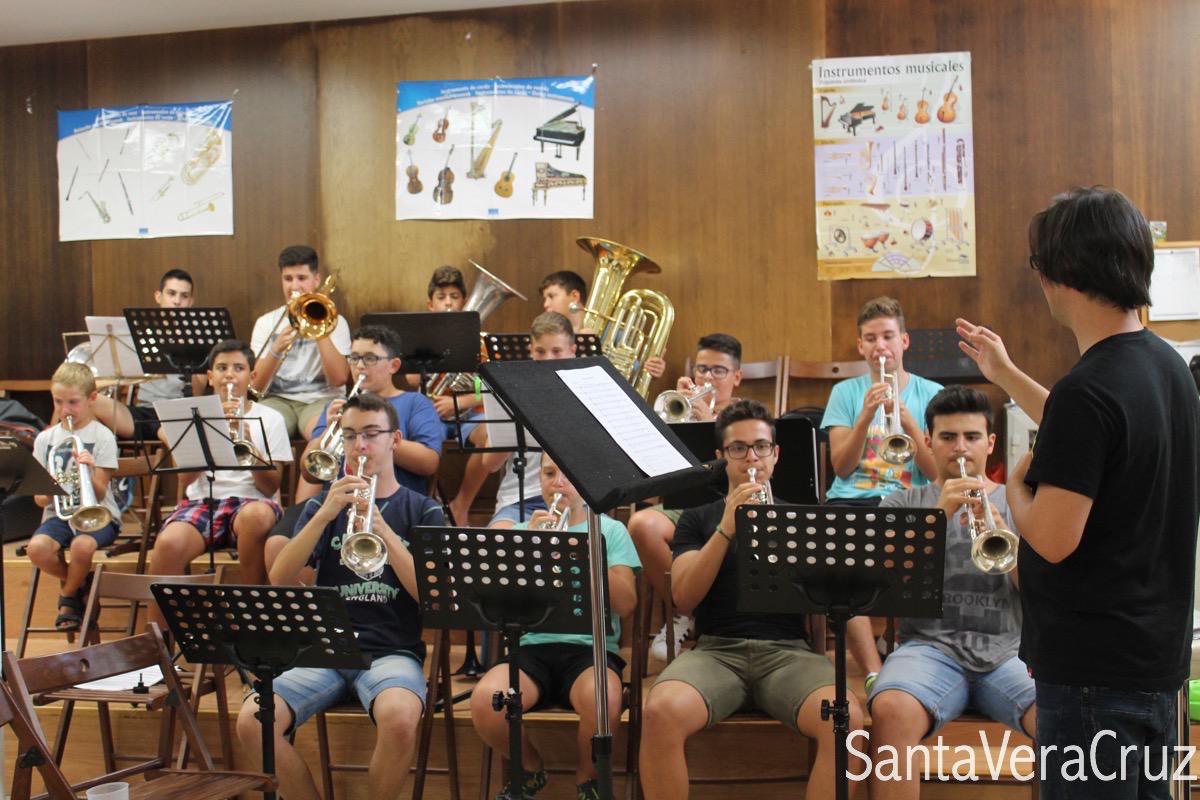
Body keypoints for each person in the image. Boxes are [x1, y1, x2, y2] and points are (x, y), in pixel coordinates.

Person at [957, 186, 1200, 797]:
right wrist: (1008, 375)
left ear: (1062, 273)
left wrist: (1012, 487)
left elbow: (1055, 539)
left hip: (1094, 670)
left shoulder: (1089, 390)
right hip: (1152, 657)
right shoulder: (1164, 366)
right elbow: (1098, 437)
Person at [639, 399, 863, 799]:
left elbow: (837, 600)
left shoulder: (802, 517)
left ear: (775, 455)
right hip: (716, 652)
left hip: (788, 653)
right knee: (659, 711)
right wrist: (727, 527)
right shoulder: (698, 518)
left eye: (760, 447)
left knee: (847, 721)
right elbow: (685, 597)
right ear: (721, 458)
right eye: (738, 449)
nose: (751, 458)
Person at [236, 391, 443, 800]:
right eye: (349, 436)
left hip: (391, 651)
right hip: (323, 652)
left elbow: (430, 597)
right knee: (251, 721)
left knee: (400, 717)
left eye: (370, 435)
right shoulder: (322, 506)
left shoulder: (423, 509)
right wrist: (324, 514)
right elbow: (279, 578)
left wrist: (383, 531)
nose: (359, 447)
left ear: (394, 439)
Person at [851, 386, 1034, 799]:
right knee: (890, 708)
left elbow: (1043, 595)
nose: (960, 448)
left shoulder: (1018, 502)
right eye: (948, 437)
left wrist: (1004, 533)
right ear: (928, 442)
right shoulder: (901, 503)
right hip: (929, 650)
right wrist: (937, 518)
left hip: (1012, 652)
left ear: (991, 443)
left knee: (1063, 714)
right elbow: (881, 590)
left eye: (971, 437)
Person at [469, 452, 639, 800]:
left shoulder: (609, 529)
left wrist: (582, 553)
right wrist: (526, 550)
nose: (557, 484)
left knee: (604, 699)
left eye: (567, 475)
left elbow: (626, 603)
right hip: (530, 649)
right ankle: (530, 768)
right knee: (486, 702)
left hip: (591, 651)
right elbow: (495, 605)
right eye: (549, 474)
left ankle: (586, 778)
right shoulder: (519, 531)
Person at [627, 332, 745, 660]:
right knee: (641, 524)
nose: (708, 378)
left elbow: (746, 470)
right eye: (702, 369)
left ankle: (699, 612)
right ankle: (685, 613)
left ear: (737, 377)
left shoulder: (747, 415)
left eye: (718, 371)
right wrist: (672, 423)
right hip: (683, 508)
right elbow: (652, 474)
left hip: (728, 508)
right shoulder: (676, 410)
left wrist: (708, 424)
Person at [148, 340, 291, 604]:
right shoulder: (194, 416)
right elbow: (186, 479)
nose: (229, 374)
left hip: (253, 501)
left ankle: (255, 608)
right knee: (168, 544)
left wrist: (249, 447)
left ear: (252, 376)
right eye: (222, 368)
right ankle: (159, 636)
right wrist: (208, 435)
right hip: (203, 501)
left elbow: (270, 487)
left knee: (257, 516)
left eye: (238, 368)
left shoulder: (270, 418)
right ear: (211, 377)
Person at [295, 325, 442, 501]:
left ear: (393, 365)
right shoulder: (337, 408)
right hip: (339, 506)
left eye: (370, 358)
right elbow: (309, 473)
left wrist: (374, 435)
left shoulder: (415, 403)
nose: (359, 366)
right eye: (354, 358)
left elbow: (428, 463)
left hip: (396, 505)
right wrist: (329, 432)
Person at [27, 362, 122, 632]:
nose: (65, 409)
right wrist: (50, 487)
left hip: (98, 516)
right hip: (58, 514)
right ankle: (81, 584)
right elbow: (40, 501)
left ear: (92, 399)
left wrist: (89, 470)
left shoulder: (102, 437)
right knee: (37, 549)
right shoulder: (46, 440)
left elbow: (101, 491)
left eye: (73, 402)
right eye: (58, 401)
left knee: (82, 546)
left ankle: (68, 597)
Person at [821, 296, 942, 506]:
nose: (880, 346)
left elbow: (936, 474)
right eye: (870, 339)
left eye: (888, 336)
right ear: (860, 346)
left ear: (904, 341)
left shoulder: (933, 393)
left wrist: (906, 421)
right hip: (851, 499)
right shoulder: (843, 391)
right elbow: (841, 468)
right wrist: (864, 418)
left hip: (912, 499)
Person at [250, 245, 352, 437]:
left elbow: (339, 378)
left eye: (302, 278)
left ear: (316, 280)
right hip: (277, 400)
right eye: (288, 279)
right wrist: (276, 349)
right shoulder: (266, 323)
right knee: (262, 435)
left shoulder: (336, 322)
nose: (294, 287)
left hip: (321, 400)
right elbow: (256, 387)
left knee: (322, 436)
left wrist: (319, 326)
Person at [84, 268, 198, 440]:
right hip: (144, 414)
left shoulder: (199, 338)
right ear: (158, 297)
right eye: (171, 294)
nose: (177, 301)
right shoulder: (142, 334)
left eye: (184, 296)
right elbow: (121, 376)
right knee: (88, 400)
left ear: (191, 302)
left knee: (173, 432)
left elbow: (198, 391)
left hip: (179, 414)